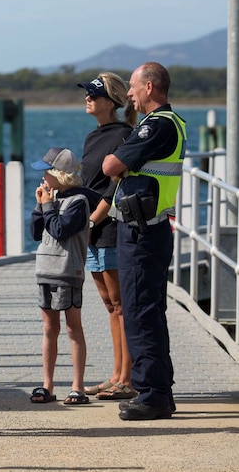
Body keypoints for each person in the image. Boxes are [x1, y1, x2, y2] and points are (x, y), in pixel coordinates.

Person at [102, 62, 187, 421]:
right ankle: (159, 392)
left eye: (134, 87)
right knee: (148, 310)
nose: (130, 94)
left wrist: (117, 158)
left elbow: (110, 165)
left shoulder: (157, 126)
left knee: (140, 312)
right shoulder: (170, 124)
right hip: (148, 229)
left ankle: (151, 395)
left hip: (143, 232)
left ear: (150, 87)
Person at [77, 73, 138, 401]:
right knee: (108, 304)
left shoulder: (124, 135)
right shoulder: (92, 138)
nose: (87, 98)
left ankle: (127, 378)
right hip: (90, 230)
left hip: (109, 227)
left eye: (94, 93)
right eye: (87, 93)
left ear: (112, 102)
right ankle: (116, 374)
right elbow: (87, 181)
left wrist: (95, 217)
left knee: (121, 305)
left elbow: (118, 184)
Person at [29, 147, 99, 405]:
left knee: (72, 328)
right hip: (45, 270)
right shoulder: (52, 199)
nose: (43, 178)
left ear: (61, 174)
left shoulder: (78, 202)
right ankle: (47, 384)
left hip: (68, 271)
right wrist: (40, 206)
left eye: (46, 173)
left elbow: (60, 229)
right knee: (49, 329)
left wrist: (48, 207)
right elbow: (36, 233)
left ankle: (77, 386)